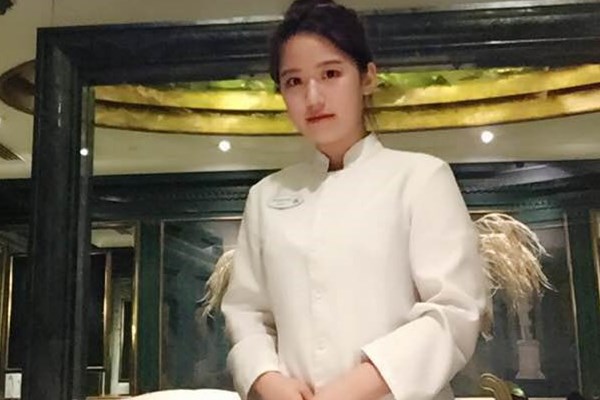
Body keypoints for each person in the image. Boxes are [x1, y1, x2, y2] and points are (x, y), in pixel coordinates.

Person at [220, 1, 487, 400]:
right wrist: (266, 378)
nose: (313, 97)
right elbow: (247, 311)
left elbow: (454, 310)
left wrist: (351, 389)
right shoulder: (266, 196)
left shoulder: (420, 179)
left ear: (367, 77)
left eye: (330, 74)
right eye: (294, 81)